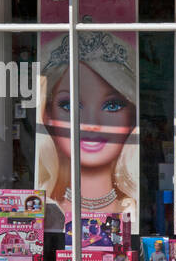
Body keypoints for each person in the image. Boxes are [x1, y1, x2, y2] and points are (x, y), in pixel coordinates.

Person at [36, 30, 139, 230]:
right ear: (47, 115)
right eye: (70, 105)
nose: (91, 123)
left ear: (132, 117)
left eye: (112, 105)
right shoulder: (45, 206)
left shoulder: (132, 210)